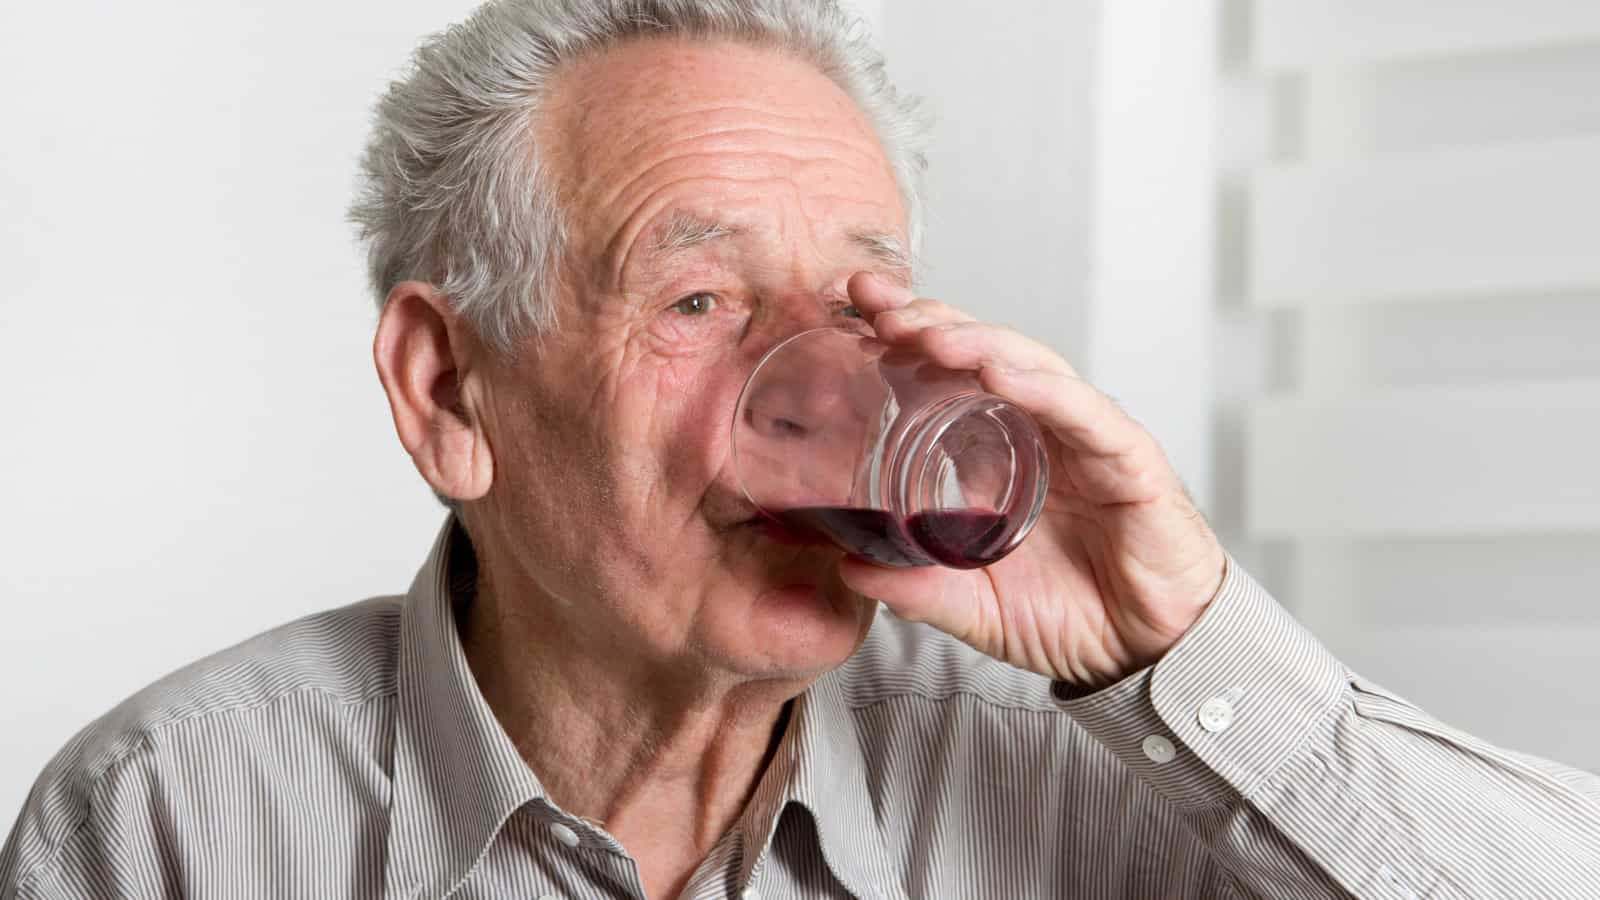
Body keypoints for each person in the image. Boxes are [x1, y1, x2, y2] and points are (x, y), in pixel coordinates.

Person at [3, 1, 1598, 897]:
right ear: (449, 392)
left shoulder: (1100, 773)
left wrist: (1176, 641)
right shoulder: (166, 820)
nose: (825, 394)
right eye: (698, 300)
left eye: (856, 307)